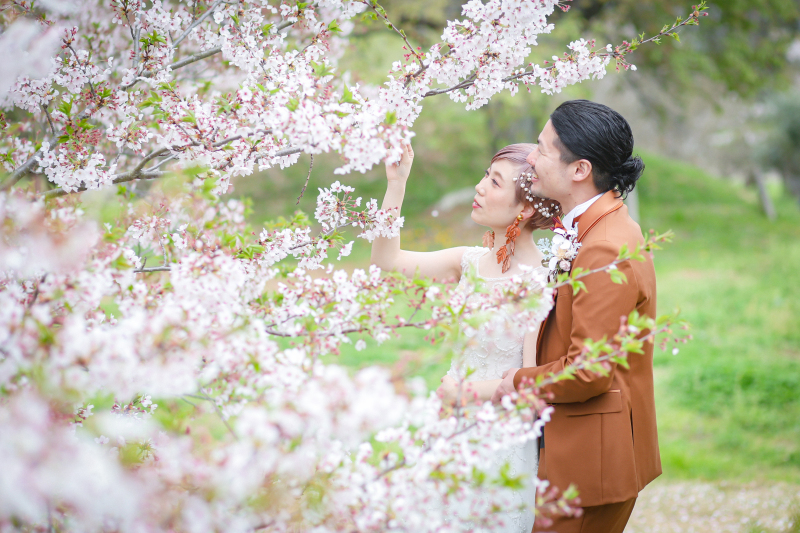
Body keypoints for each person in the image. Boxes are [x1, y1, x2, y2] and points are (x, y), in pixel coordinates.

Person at [371, 142, 561, 532]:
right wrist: (397, 184)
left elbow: (533, 385)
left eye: (493, 182)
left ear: (524, 209)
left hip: (498, 440)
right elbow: (386, 262)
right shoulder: (470, 262)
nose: (478, 187)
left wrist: (463, 393)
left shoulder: (539, 282)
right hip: (446, 426)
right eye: (484, 176)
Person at [491, 100, 660, 533]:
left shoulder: (604, 245)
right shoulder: (586, 228)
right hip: (577, 444)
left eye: (544, 149)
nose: (531, 157)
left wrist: (506, 384)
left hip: (591, 463)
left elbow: (588, 373)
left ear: (579, 169)